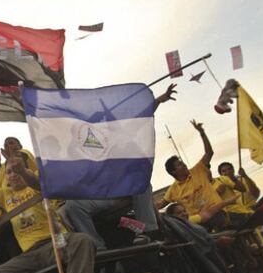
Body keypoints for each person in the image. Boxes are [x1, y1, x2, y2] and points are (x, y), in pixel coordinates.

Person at [64, 84, 178, 249]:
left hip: (126, 190)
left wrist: (159, 100)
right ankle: (96, 246)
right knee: (73, 206)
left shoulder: (117, 139)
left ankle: (147, 232)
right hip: (104, 195)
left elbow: (140, 120)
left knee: (141, 181)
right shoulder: (83, 148)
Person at [163, 120, 229, 230]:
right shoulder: (173, 190)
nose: (184, 165)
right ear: (173, 172)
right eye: (179, 165)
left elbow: (209, 152)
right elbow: (161, 203)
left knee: (206, 228)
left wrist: (202, 133)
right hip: (197, 223)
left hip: (217, 214)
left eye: (182, 162)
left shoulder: (198, 170)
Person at [215, 162, 256, 228]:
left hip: (252, 209)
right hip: (236, 214)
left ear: (233, 170)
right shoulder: (220, 185)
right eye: (224, 171)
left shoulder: (243, 180)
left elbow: (255, 193)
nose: (227, 172)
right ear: (220, 174)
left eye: (229, 169)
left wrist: (245, 176)